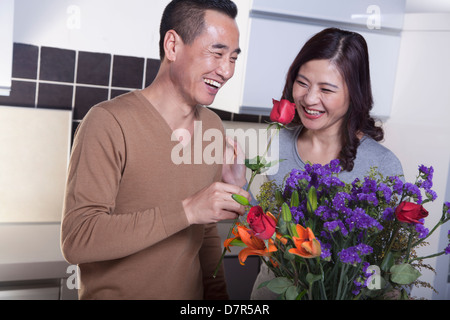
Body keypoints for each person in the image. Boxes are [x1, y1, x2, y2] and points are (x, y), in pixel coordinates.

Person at [61, 0, 250, 300]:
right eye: (217, 53)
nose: (226, 71)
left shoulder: (212, 127)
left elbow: (206, 233)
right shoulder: (108, 122)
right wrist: (187, 210)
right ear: (173, 45)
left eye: (233, 58)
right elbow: (78, 238)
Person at [250, 27, 404, 299]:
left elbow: (392, 268)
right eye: (303, 83)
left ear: (353, 93)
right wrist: (238, 186)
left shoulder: (383, 166)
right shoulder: (277, 143)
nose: (309, 99)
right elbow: (267, 235)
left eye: (326, 89)